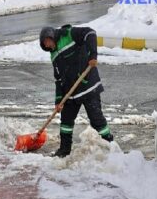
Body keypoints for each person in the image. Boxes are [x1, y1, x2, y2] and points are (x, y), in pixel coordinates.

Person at [39, 24, 113, 158]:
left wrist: (93, 55)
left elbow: (90, 33)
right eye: (45, 45)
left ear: (51, 36)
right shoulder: (53, 54)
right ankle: (64, 150)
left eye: (48, 42)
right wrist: (58, 101)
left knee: (96, 120)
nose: (48, 46)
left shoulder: (68, 34)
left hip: (88, 86)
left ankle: (110, 144)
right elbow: (58, 80)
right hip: (70, 94)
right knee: (66, 123)